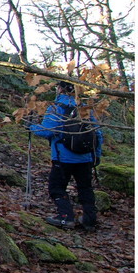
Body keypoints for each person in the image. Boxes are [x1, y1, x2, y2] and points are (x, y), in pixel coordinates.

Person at [29, 81, 104, 231]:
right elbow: (98, 134)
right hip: (85, 158)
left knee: (56, 187)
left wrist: (31, 127)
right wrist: (96, 155)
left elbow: (46, 131)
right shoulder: (86, 109)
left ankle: (65, 217)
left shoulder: (57, 108)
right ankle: (89, 220)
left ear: (60, 89)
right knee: (85, 188)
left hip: (62, 157)